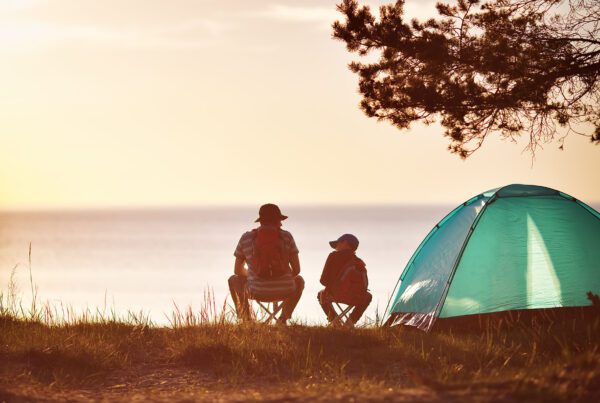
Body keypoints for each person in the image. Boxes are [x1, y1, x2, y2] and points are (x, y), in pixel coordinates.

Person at [228, 203, 304, 325]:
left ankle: (247, 320)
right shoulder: (287, 237)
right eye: (280, 220)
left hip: (256, 291)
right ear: (277, 220)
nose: (281, 224)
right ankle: (282, 319)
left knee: (233, 280)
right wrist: (282, 275)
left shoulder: (246, 238)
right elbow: (297, 269)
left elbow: (237, 271)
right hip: (285, 290)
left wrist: (253, 275)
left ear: (261, 221)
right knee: (299, 281)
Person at [317, 234, 372, 327]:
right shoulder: (359, 262)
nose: (335, 248)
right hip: (357, 297)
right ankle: (350, 323)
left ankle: (335, 322)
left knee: (320, 295)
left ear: (345, 243)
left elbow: (323, 281)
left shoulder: (333, 256)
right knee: (368, 296)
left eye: (337, 244)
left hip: (336, 294)